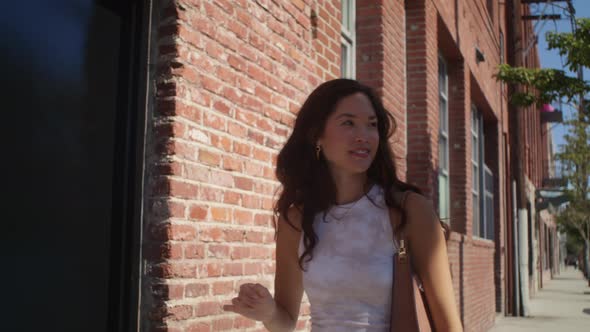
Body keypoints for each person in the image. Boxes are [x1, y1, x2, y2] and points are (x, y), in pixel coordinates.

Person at [223, 79, 463, 331]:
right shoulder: (296, 219)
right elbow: (286, 321)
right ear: (317, 135)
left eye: (372, 125)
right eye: (348, 123)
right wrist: (269, 312)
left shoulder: (408, 210)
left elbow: (448, 324)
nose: (364, 136)